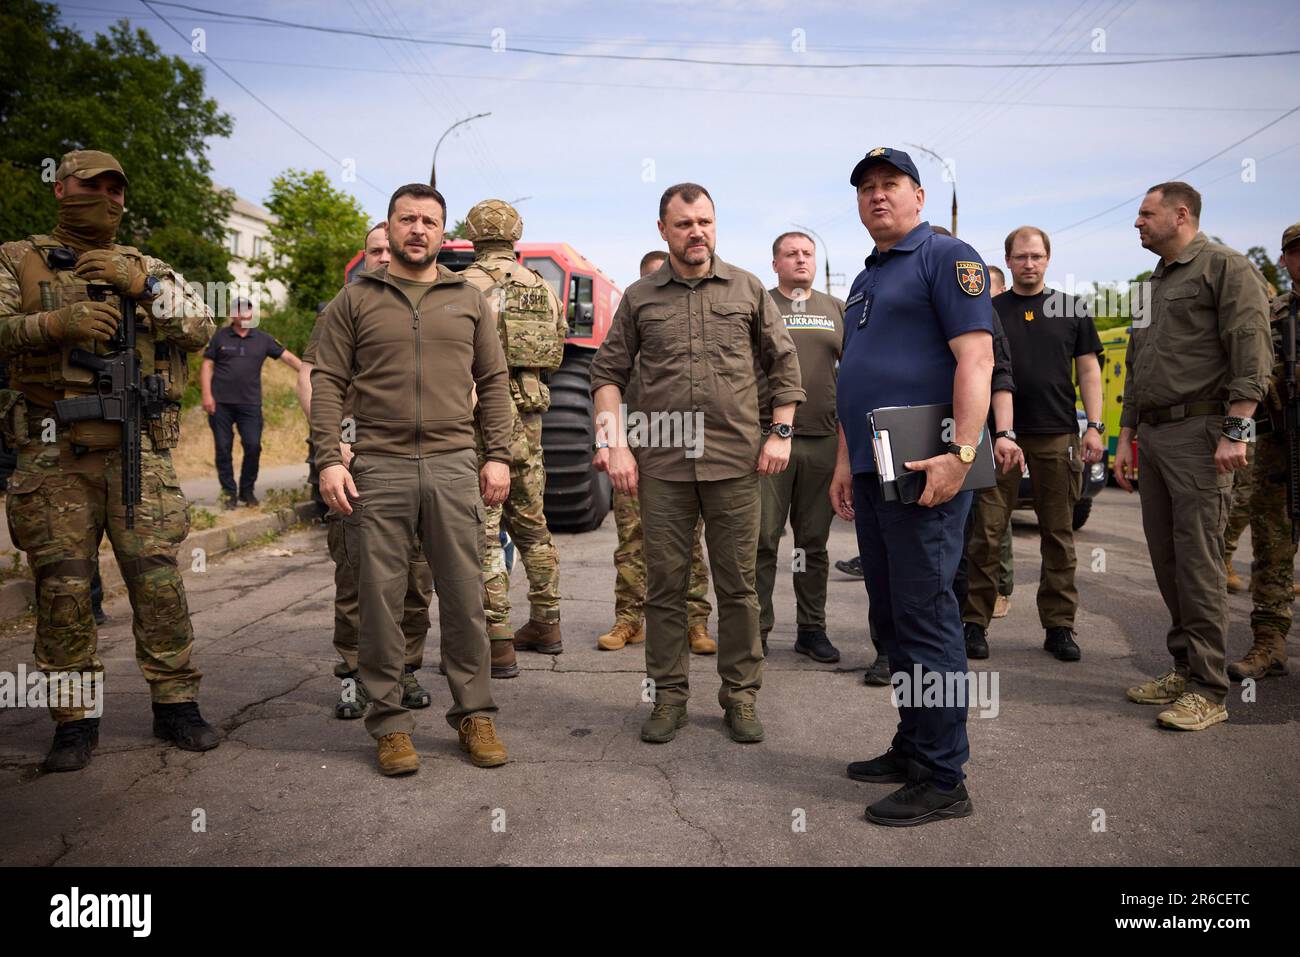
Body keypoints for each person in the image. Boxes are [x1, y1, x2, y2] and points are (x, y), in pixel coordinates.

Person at [0, 149, 220, 771]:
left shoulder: (148, 265)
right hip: (51, 455)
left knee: (158, 583)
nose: (109, 198)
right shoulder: (16, 259)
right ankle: (74, 721)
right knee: (63, 589)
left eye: (117, 189)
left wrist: (143, 288)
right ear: (60, 188)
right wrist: (52, 324)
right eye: (93, 186)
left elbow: (202, 326)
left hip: (138, 453)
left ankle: (176, 704)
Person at [311, 183, 513, 775]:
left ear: (443, 233)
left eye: (429, 221)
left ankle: (474, 714)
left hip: (453, 464)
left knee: (464, 597)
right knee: (378, 601)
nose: (418, 229)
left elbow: (494, 381)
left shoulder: (468, 299)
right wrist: (328, 458)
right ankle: (391, 725)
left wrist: (496, 453)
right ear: (390, 227)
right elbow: (326, 381)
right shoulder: (353, 300)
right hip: (378, 464)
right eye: (407, 219)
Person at [591, 183, 804, 745]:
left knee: (737, 588)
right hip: (662, 465)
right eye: (684, 223)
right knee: (663, 587)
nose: (697, 232)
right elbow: (607, 376)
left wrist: (780, 433)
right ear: (663, 230)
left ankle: (740, 697)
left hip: (735, 462)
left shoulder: (747, 287)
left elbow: (784, 364)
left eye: (705, 221)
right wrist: (615, 444)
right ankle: (668, 697)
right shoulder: (640, 297)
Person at [830, 147, 993, 826]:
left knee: (926, 618)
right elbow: (856, 377)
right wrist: (845, 460)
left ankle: (942, 774)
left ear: (919, 197)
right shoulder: (867, 278)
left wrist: (961, 450)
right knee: (893, 618)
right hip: (874, 463)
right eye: (866, 187)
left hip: (927, 458)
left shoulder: (948, 257)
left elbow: (976, 357)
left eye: (890, 184)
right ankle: (911, 742)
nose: (876, 196)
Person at [1115, 181, 1271, 731]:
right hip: (1155, 436)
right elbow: (1136, 364)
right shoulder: (1152, 284)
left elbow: (1251, 348)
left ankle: (1209, 688)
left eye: (1145, 214)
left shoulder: (1225, 267)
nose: (1137, 223)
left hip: (1204, 433)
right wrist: (1128, 434)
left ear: (1181, 215)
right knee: (1167, 559)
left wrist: (1237, 430)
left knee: (1201, 562)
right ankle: (1183, 667)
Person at [296, 222, 434, 718]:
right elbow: (311, 377)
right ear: (366, 254)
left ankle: (407, 669)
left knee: (416, 575)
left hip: (417, 461)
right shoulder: (344, 305)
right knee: (356, 575)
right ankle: (355, 676)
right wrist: (333, 447)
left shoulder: (428, 301)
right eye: (374, 249)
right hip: (355, 459)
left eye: (386, 249)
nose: (381, 257)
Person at [962, 226, 1103, 661]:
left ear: (1048, 259)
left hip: (1056, 434)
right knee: (986, 533)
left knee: (1058, 534)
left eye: (1036, 256)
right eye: (1021, 257)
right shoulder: (989, 310)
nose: (1029, 264)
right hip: (997, 437)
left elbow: (1089, 372)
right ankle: (974, 623)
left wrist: (1094, 425)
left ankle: (1059, 626)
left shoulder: (1071, 309)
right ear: (1007, 260)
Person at [458, 199, 566, 675]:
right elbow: (557, 352)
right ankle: (547, 624)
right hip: (530, 417)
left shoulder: (459, 286)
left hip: (479, 415)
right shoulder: (542, 287)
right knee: (532, 523)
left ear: (472, 234)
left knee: (483, 528)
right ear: (516, 233)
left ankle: (496, 641)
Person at [594, 250, 716, 655]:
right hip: (634, 445)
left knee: (689, 540)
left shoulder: (695, 332)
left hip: (685, 444)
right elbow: (605, 381)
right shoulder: (630, 318)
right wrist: (606, 445)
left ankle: (694, 622)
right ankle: (629, 619)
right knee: (631, 538)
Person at [756, 232, 845, 662]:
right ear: (775, 264)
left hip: (823, 440)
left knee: (812, 543)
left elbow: (853, 372)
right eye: (791, 254)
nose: (801, 259)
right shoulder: (760, 303)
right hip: (769, 440)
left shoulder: (836, 310)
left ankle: (812, 629)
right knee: (762, 540)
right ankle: (756, 631)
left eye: (807, 253)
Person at [1227, 221, 1300, 681]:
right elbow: (1248, 372)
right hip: (1278, 451)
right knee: (1273, 553)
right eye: (1295, 252)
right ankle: (1269, 644)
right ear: (1285, 259)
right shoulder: (1271, 313)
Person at [201, 297, 301, 508]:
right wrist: (207, 395)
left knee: (253, 445)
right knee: (223, 448)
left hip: (250, 404)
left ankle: (247, 491)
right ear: (233, 315)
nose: (245, 315)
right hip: (221, 404)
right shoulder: (220, 337)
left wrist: (312, 374)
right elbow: (207, 366)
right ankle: (229, 494)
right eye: (241, 311)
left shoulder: (263, 339)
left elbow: (289, 358)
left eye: (248, 311)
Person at [985, 264, 1016, 618]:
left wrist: (1005, 432)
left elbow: (1002, 377)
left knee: (997, 519)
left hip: (998, 433)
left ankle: (1001, 588)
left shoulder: (996, 320)